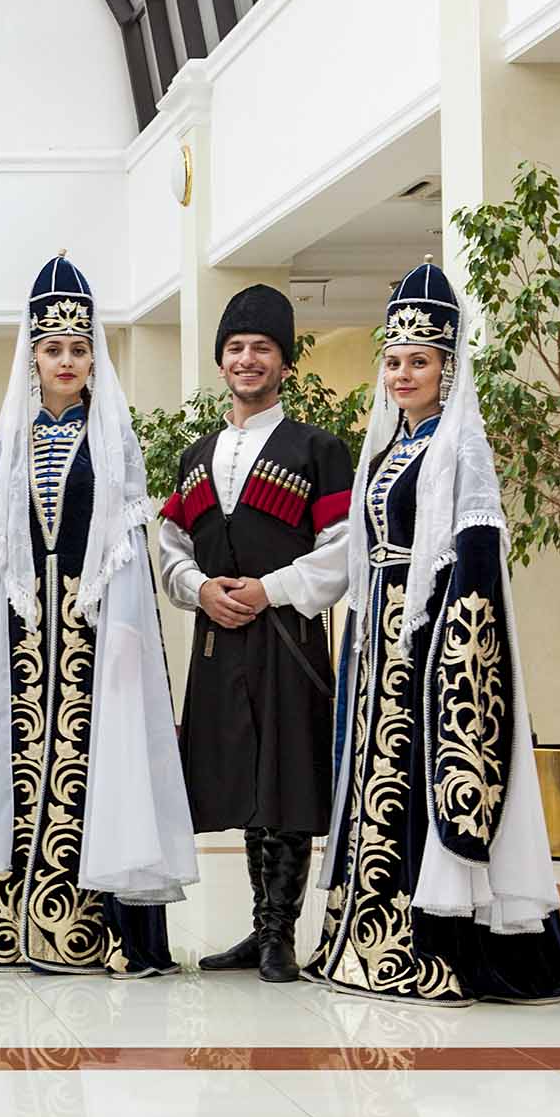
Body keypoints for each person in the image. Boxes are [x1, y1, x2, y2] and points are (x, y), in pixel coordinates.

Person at [306, 264, 560, 1005]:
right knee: (371, 778)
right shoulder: (383, 451)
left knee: (413, 776)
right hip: (375, 641)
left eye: (419, 362)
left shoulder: (459, 447)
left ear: (447, 369)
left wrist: (449, 649)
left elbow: (478, 556)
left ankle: (429, 947)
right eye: (393, 361)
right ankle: (361, 938)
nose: (403, 374)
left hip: (427, 643)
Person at [0, 254, 196, 976]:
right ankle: (11, 925)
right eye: (53, 348)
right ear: (34, 356)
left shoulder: (113, 438)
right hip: (22, 634)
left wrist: (126, 636)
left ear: (93, 356)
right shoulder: (10, 441)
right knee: (20, 766)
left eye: (79, 348)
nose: (67, 360)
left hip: (92, 629)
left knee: (91, 762)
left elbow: (129, 551)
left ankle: (89, 930)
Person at [159, 285, 353, 983]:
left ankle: (279, 934)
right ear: (221, 362)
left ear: (285, 363)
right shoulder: (195, 456)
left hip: (289, 637)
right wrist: (202, 590)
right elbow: (172, 548)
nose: (247, 359)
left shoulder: (318, 450)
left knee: (286, 780)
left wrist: (270, 589)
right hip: (219, 637)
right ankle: (257, 926)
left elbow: (342, 549)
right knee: (245, 778)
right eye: (236, 348)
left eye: (262, 348)